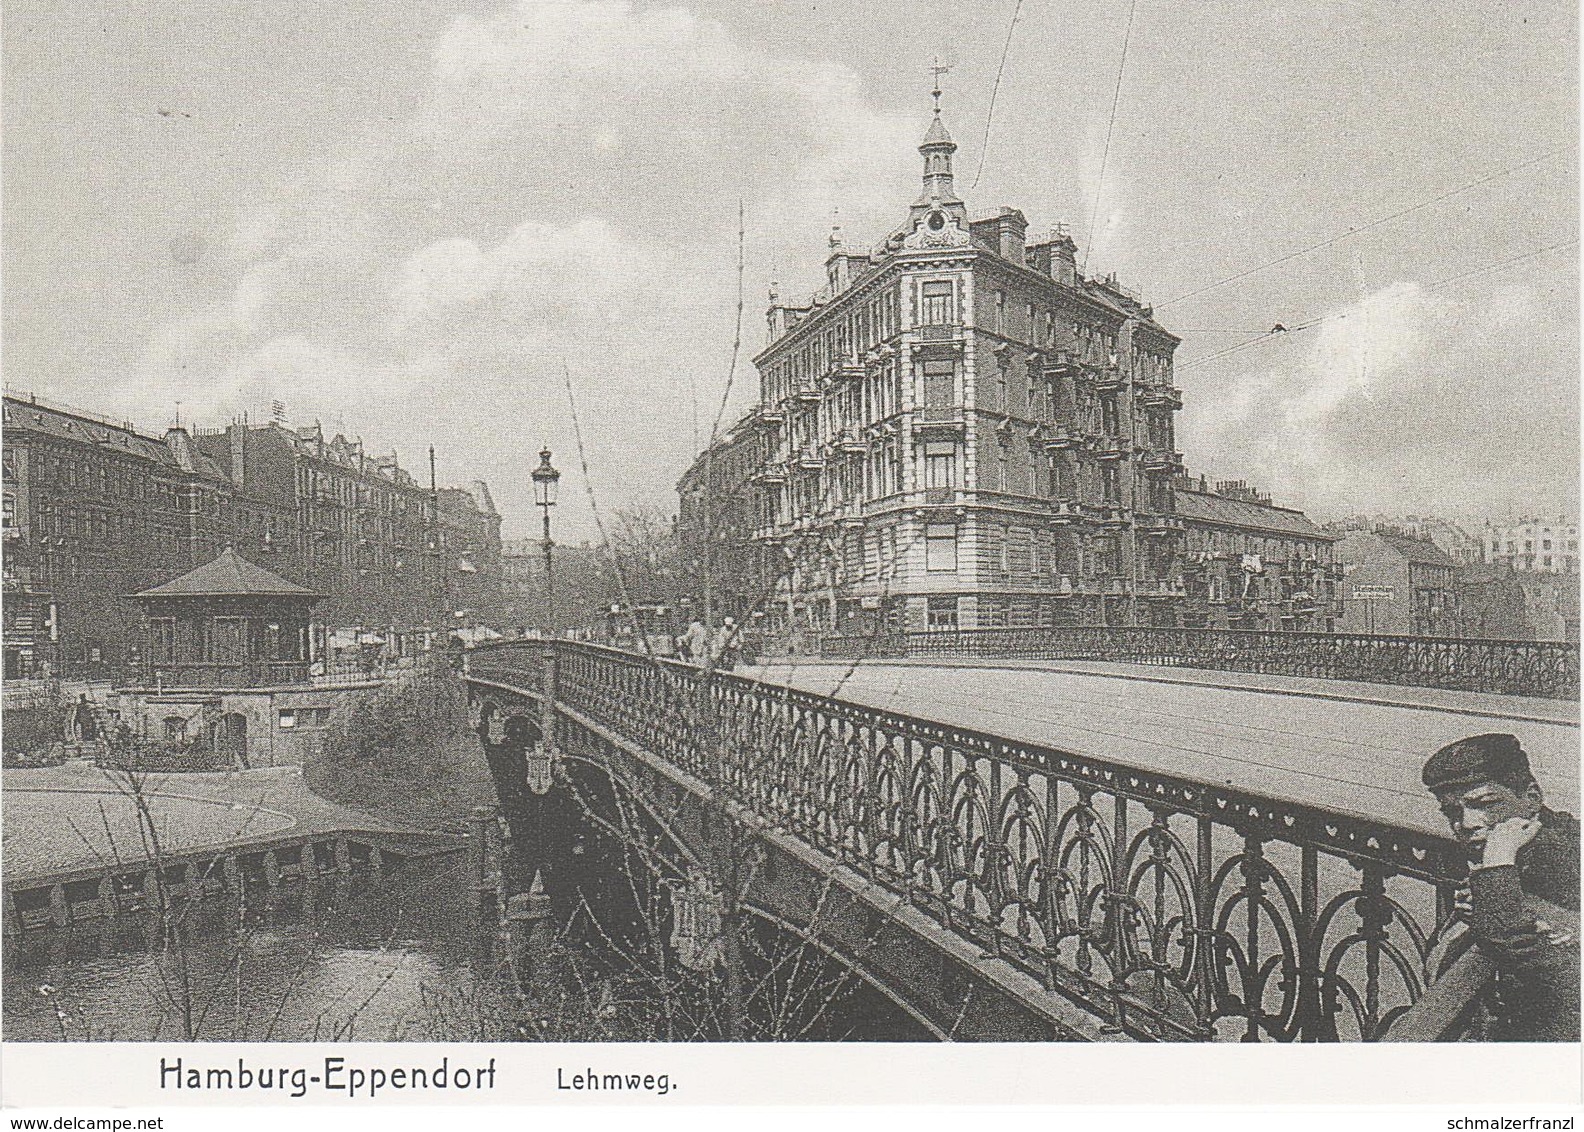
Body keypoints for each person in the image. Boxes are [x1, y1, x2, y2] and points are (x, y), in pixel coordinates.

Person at [1421, 733, 1579, 1041]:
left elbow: (1542, 966)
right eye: (1452, 812)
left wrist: (1497, 863)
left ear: (1532, 797)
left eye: (1486, 804)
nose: (1466, 823)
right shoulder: (1528, 851)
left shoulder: (1562, 857)